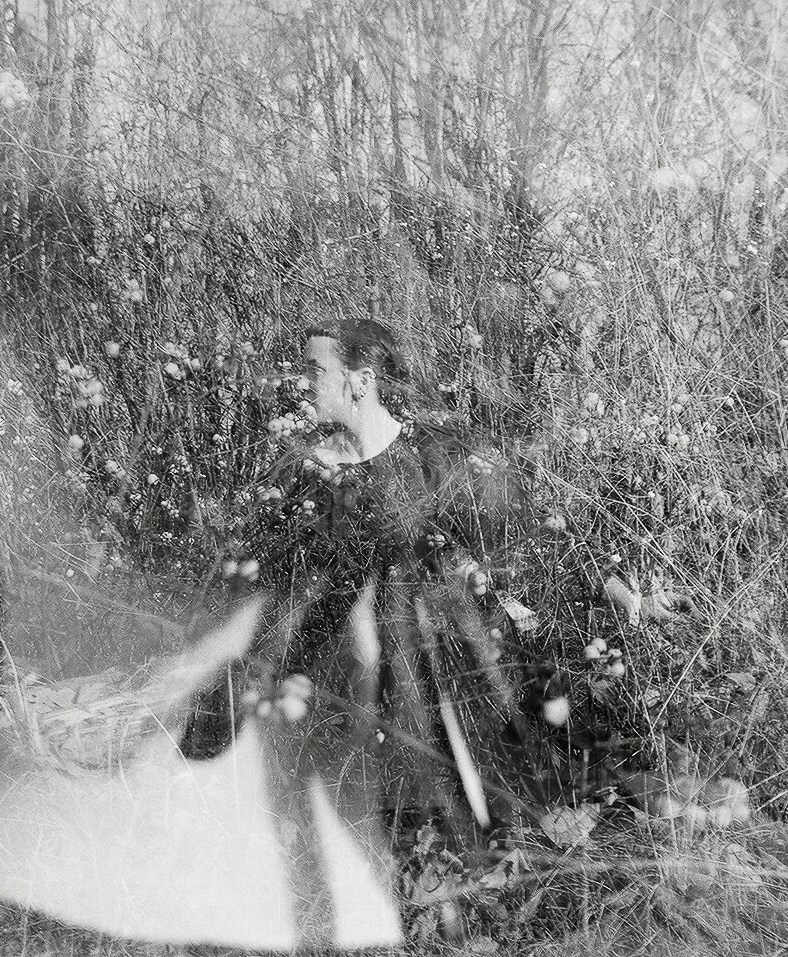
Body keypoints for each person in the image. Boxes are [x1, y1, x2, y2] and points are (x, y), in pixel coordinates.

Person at [180, 317, 548, 834]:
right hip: (386, 679)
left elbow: (509, 540)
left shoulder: (435, 454)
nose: (304, 384)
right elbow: (326, 589)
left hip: (465, 660)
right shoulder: (325, 479)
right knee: (428, 811)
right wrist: (290, 664)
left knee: (509, 798)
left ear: (361, 380)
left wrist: (513, 607)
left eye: (316, 370)